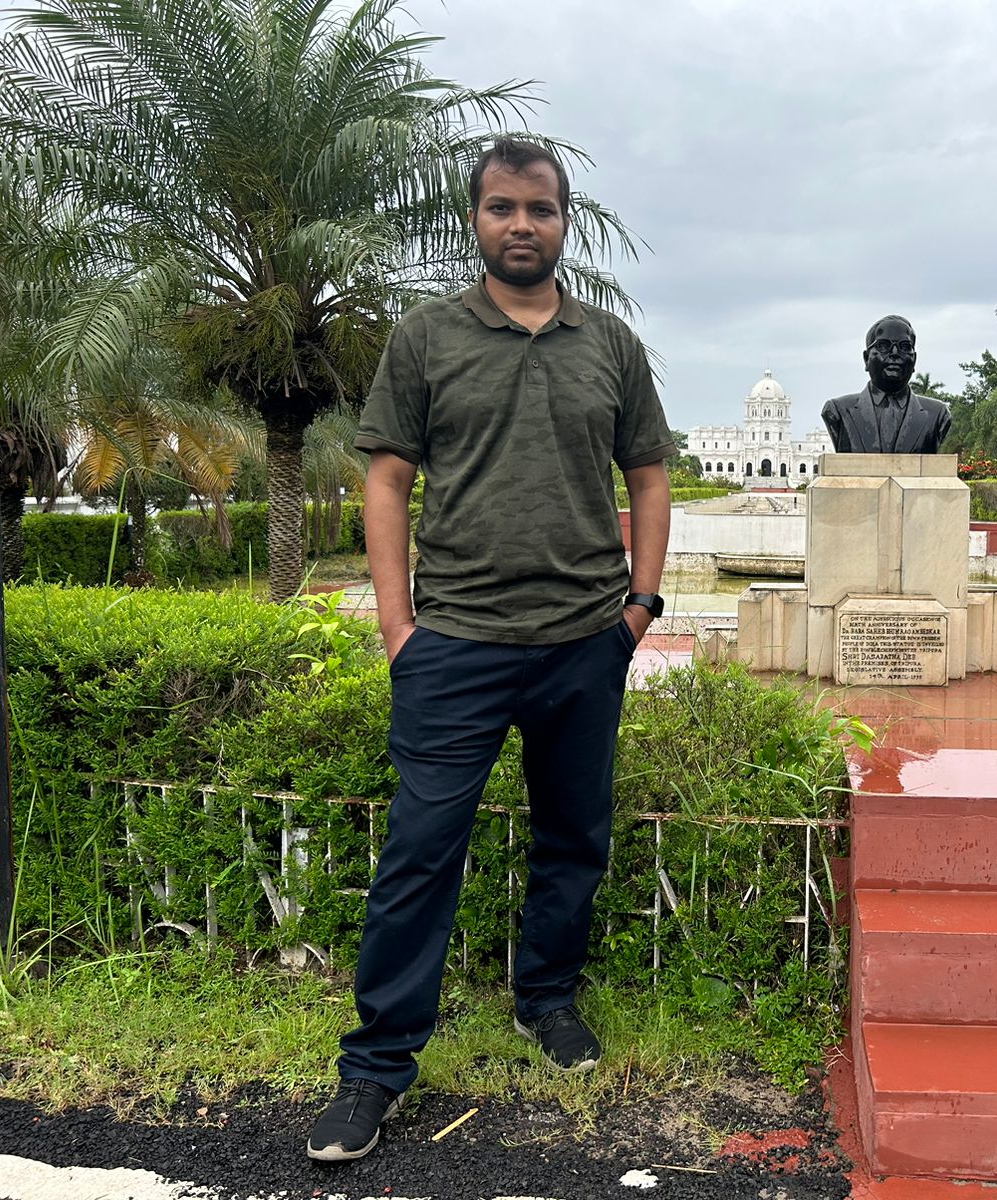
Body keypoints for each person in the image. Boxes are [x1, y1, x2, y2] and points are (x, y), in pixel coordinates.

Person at [307, 137, 674, 1163]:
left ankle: (546, 1000)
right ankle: (375, 1067)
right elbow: (388, 478)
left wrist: (639, 608)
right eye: (503, 207)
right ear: (474, 219)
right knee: (419, 853)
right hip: (455, 644)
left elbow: (648, 476)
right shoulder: (426, 338)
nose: (522, 224)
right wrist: (398, 628)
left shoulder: (610, 344)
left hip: (583, 643)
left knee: (573, 839)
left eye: (540, 209)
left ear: (565, 222)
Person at [820, 315, 951, 454]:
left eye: (905, 346)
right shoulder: (838, 410)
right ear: (866, 358)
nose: (894, 353)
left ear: (914, 360)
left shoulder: (938, 414)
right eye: (883, 345)